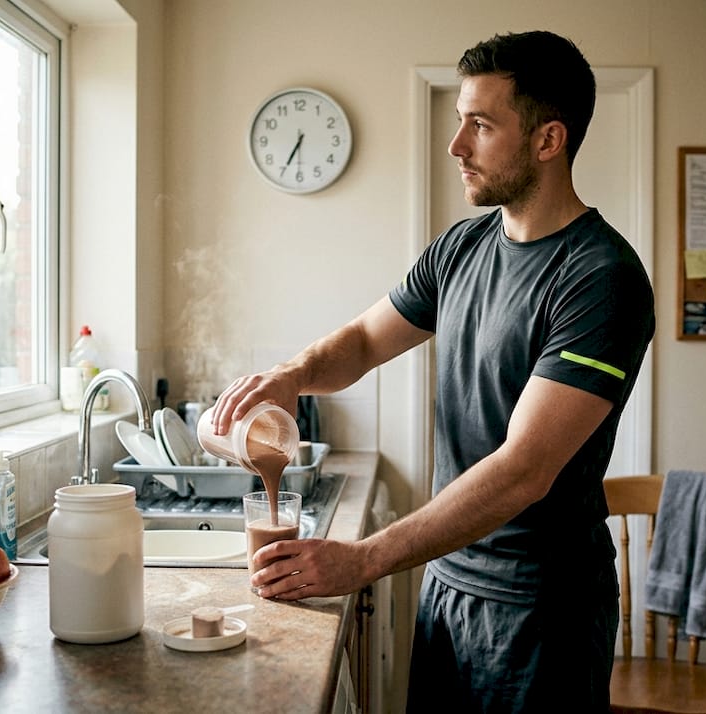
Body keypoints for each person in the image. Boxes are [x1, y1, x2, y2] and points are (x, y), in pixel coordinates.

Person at [210, 30, 655, 713]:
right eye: (459, 122)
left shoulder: (602, 279)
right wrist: (290, 377)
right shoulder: (462, 246)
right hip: (448, 586)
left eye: (480, 125)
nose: (457, 146)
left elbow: (525, 469)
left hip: (540, 613)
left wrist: (363, 560)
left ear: (548, 140)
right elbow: (362, 340)